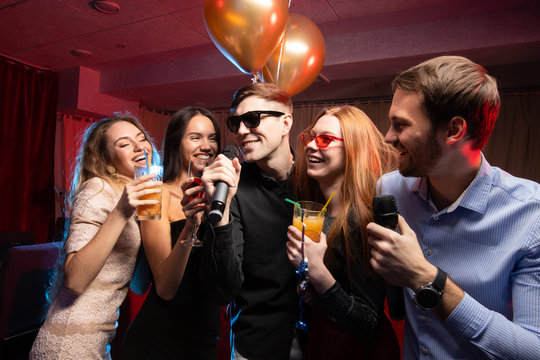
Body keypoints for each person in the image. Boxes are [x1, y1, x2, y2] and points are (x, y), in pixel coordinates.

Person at [366, 55, 540, 359]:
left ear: (453, 131)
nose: (388, 137)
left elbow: (531, 351)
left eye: (400, 125)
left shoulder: (530, 215)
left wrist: (425, 278)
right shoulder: (390, 189)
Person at [30, 114, 161, 359]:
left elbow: (138, 285)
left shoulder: (140, 198)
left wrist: (154, 226)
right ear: (107, 160)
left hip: (100, 341)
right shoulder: (98, 188)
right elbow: (75, 280)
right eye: (123, 144)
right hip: (68, 343)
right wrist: (121, 212)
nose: (138, 147)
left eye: (141, 139)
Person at [286, 105, 400, 359]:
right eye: (310, 137)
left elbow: (368, 323)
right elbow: (336, 291)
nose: (311, 145)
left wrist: (316, 270)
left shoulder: (361, 220)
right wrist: (311, 290)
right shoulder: (318, 211)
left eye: (325, 139)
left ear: (353, 150)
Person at [200, 82, 297, 359]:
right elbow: (223, 289)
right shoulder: (235, 190)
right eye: (236, 122)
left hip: (317, 341)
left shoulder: (314, 179)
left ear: (285, 122)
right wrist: (219, 213)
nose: (242, 131)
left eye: (253, 119)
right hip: (257, 345)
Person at [119, 107, 222, 359]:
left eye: (212, 137)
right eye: (195, 137)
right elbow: (164, 287)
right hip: (160, 342)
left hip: (205, 339)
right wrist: (191, 224)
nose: (207, 146)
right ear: (177, 142)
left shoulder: (222, 197)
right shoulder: (154, 194)